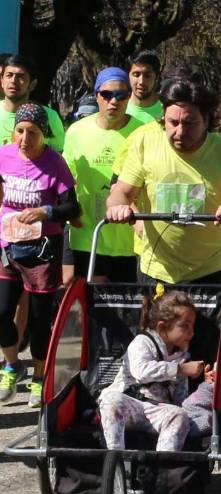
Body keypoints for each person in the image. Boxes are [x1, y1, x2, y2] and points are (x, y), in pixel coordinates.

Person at [106, 77, 221, 285]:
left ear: (206, 121)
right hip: (155, 270)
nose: (180, 132)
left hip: (206, 272)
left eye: (190, 123)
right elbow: (121, 192)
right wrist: (118, 206)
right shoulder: (145, 142)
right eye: (173, 123)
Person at [0, 104, 81, 407]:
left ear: (43, 134)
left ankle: (38, 377)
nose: (24, 138)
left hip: (42, 249)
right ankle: (11, 365)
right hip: (7, 243)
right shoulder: (4, 155)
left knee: (38, 319)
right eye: (20, 131)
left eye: (31, 133)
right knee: (1, 311)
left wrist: (45, 211)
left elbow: (72, 208)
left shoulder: (54, 162)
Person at [97, 290, 214, 451]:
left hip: (157, 412)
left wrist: (205, 385)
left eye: (192, 327)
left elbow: (179, 402)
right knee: (110, 400)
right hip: (130, 403)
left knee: (179, 415)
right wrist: (179, 369)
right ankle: (115, 458)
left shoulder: (181, 357)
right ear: (162, 326)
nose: (191, 333)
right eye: (184, 326)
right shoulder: (142, 342)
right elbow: (141, 371)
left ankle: (164, 464)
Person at [64, 67, 143, 283]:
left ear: (129, 98)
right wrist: (71, 213)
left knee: (125, 309)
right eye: (107, 95)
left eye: (121, 95)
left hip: (128, 239)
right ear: (97, 95)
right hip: (88, 235)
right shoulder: (76, 132)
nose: (113, 101)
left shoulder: (143, 132)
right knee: (91, 306)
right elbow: (66, 180)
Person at [0, 55, 66, 152]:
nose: (13, 81)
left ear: (32, 84)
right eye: (9, 75)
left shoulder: (50, 117)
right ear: (2, 81)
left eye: (20, 77)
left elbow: (58, 158)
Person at [126, 50, 164, 123]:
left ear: (157, 78)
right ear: (128, 75)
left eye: (147, 76)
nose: (141, 82)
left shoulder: (167, 110)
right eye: (136, 74)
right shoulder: (120, 110)